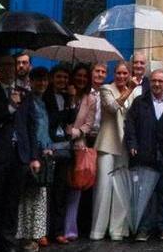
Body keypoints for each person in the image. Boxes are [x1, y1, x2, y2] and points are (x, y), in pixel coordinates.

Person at [0, 53, 39, 252]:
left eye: (11, 65)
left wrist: (33, 156)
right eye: (3, 65)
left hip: (20, 155)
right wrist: (11, 108)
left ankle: (7, 242)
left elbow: (31, 126)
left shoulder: (26, 93)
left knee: (12, 202)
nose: (8, 69)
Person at [124, 68, 163, 242]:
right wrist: (132, 143)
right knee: (144, 193)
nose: (156, 84)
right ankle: (143, 229)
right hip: (144, 154)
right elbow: (129, 124)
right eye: (154, 81)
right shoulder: (140, 102)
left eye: (160, 81)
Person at [92, 61, 139, 241]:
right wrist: (129, 91)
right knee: (103, 187)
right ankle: (97, 231)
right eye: (118, 73)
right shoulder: (106, 88)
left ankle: (117, 230)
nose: (121, 77)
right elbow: (112, 107)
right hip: (108, 144)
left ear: (129, 75)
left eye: (124, 74)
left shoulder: (134, 93)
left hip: (125, 145)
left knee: (121, 189)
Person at [63, 63, 101, 241]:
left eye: (85, 77)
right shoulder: (64, 94)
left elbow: (89, 123)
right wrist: (70, 99)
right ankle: (55, 228)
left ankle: (70, 228)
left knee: (75, 187)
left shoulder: (90, 99)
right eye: (78, 75)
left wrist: (77, 132)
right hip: (59, 144)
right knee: (58, 188)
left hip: (78, 145)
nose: (81, 79)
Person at [18, 68, 52, 250]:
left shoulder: (42, 102)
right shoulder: (27, 101)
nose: (42, 83)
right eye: (38, 80)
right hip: (33, 155)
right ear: (30, 81)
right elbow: (27, 130)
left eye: (45, 80)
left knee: (38, 198)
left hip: (43, 153)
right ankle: (26, 237)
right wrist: (33, 156)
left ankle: (34, 235)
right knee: (28, 199)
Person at [42, 64, 76, 244]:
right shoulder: (45, 96)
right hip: (49, 147)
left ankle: (58, 231)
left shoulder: (66, 96)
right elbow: (51, 119)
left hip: (64, 149)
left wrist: (71, 101)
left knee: (61, 191)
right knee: (46, 191)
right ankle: (43, 232)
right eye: (59, 77)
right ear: (52, 78)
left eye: (65, 77)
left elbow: (71, 119)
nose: (62, 80)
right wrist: (64, 113)